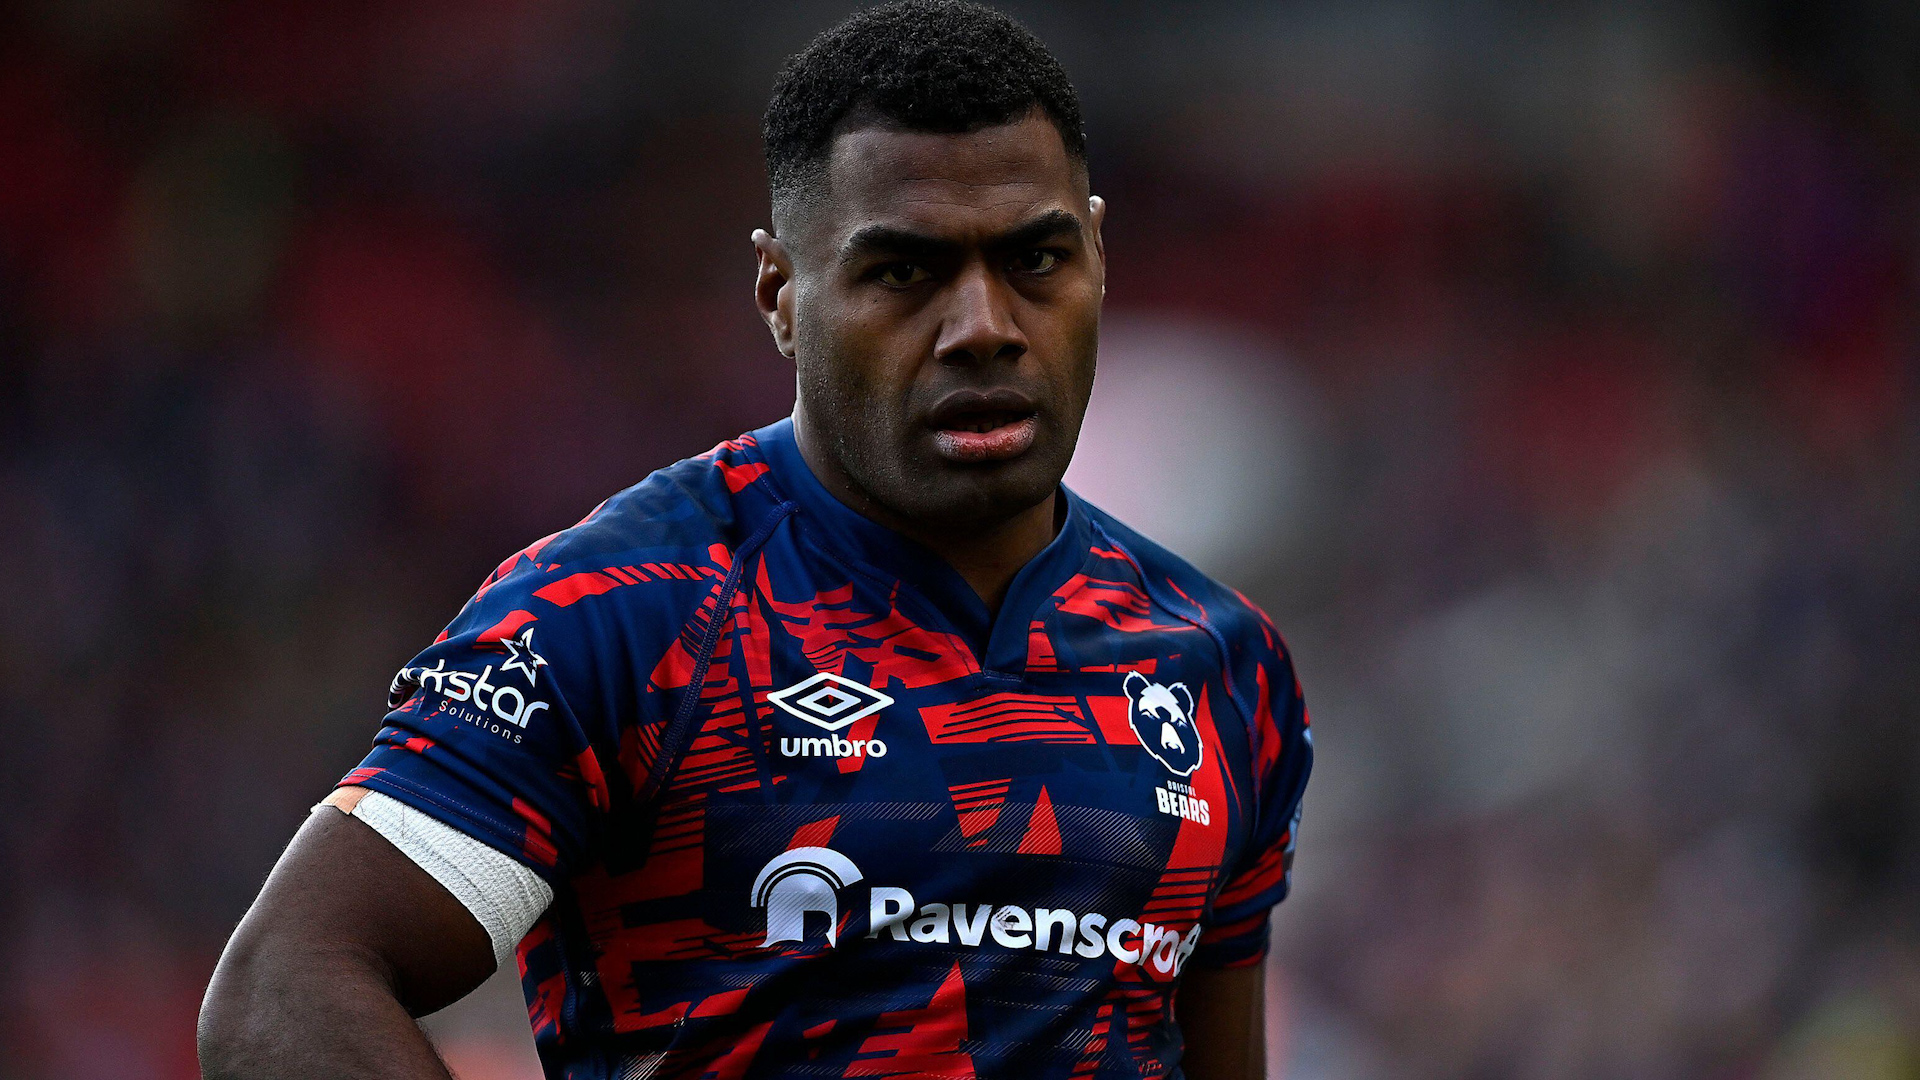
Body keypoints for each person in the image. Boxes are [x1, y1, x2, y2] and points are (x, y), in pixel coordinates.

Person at [196, 2, 1313, 1077]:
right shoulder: (629, 611)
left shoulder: (1223, 662)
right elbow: (285, 986)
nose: (983, 327)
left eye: (1034, 260)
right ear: (781, 292)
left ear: (1100, 258)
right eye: (903, 272)